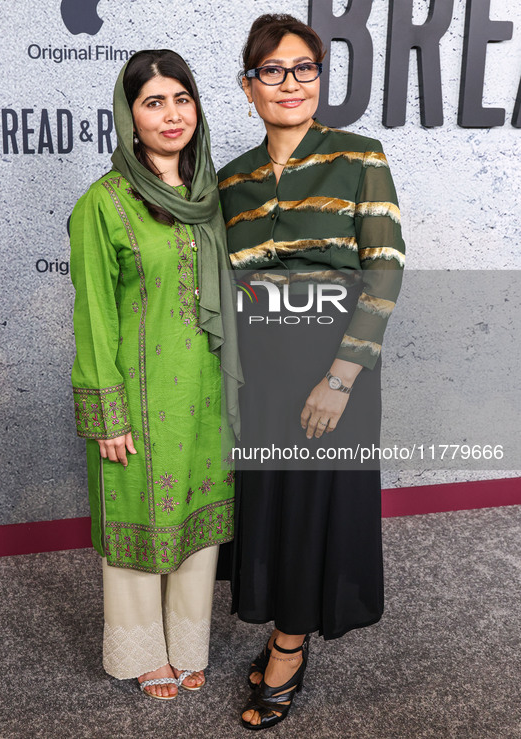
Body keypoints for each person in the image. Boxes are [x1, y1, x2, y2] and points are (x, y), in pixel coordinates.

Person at [218, 14, 405, 729]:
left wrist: (341, 375)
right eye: (271, 70)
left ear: (318, 80)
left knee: (314, 505)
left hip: (333, 366)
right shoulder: (230, 180)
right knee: (270, 502)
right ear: (247, 87)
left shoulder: (359, 156)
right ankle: (278, 622)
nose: (288, 83)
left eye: (302, 68)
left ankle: (289, 648)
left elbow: (384, 270)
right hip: (258, 373)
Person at [70, 50, 241, 700]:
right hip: (138, 401)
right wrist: (105, 413)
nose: (170, 115)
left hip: (202, 394)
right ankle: (142, 651)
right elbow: (92, 317)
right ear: (129, 115)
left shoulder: (211, 197)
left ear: (196, 107)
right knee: (138, 527)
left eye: (181, 99)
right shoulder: (103, 205)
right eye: (152, 102)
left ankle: (188, 644)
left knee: (195, 528)